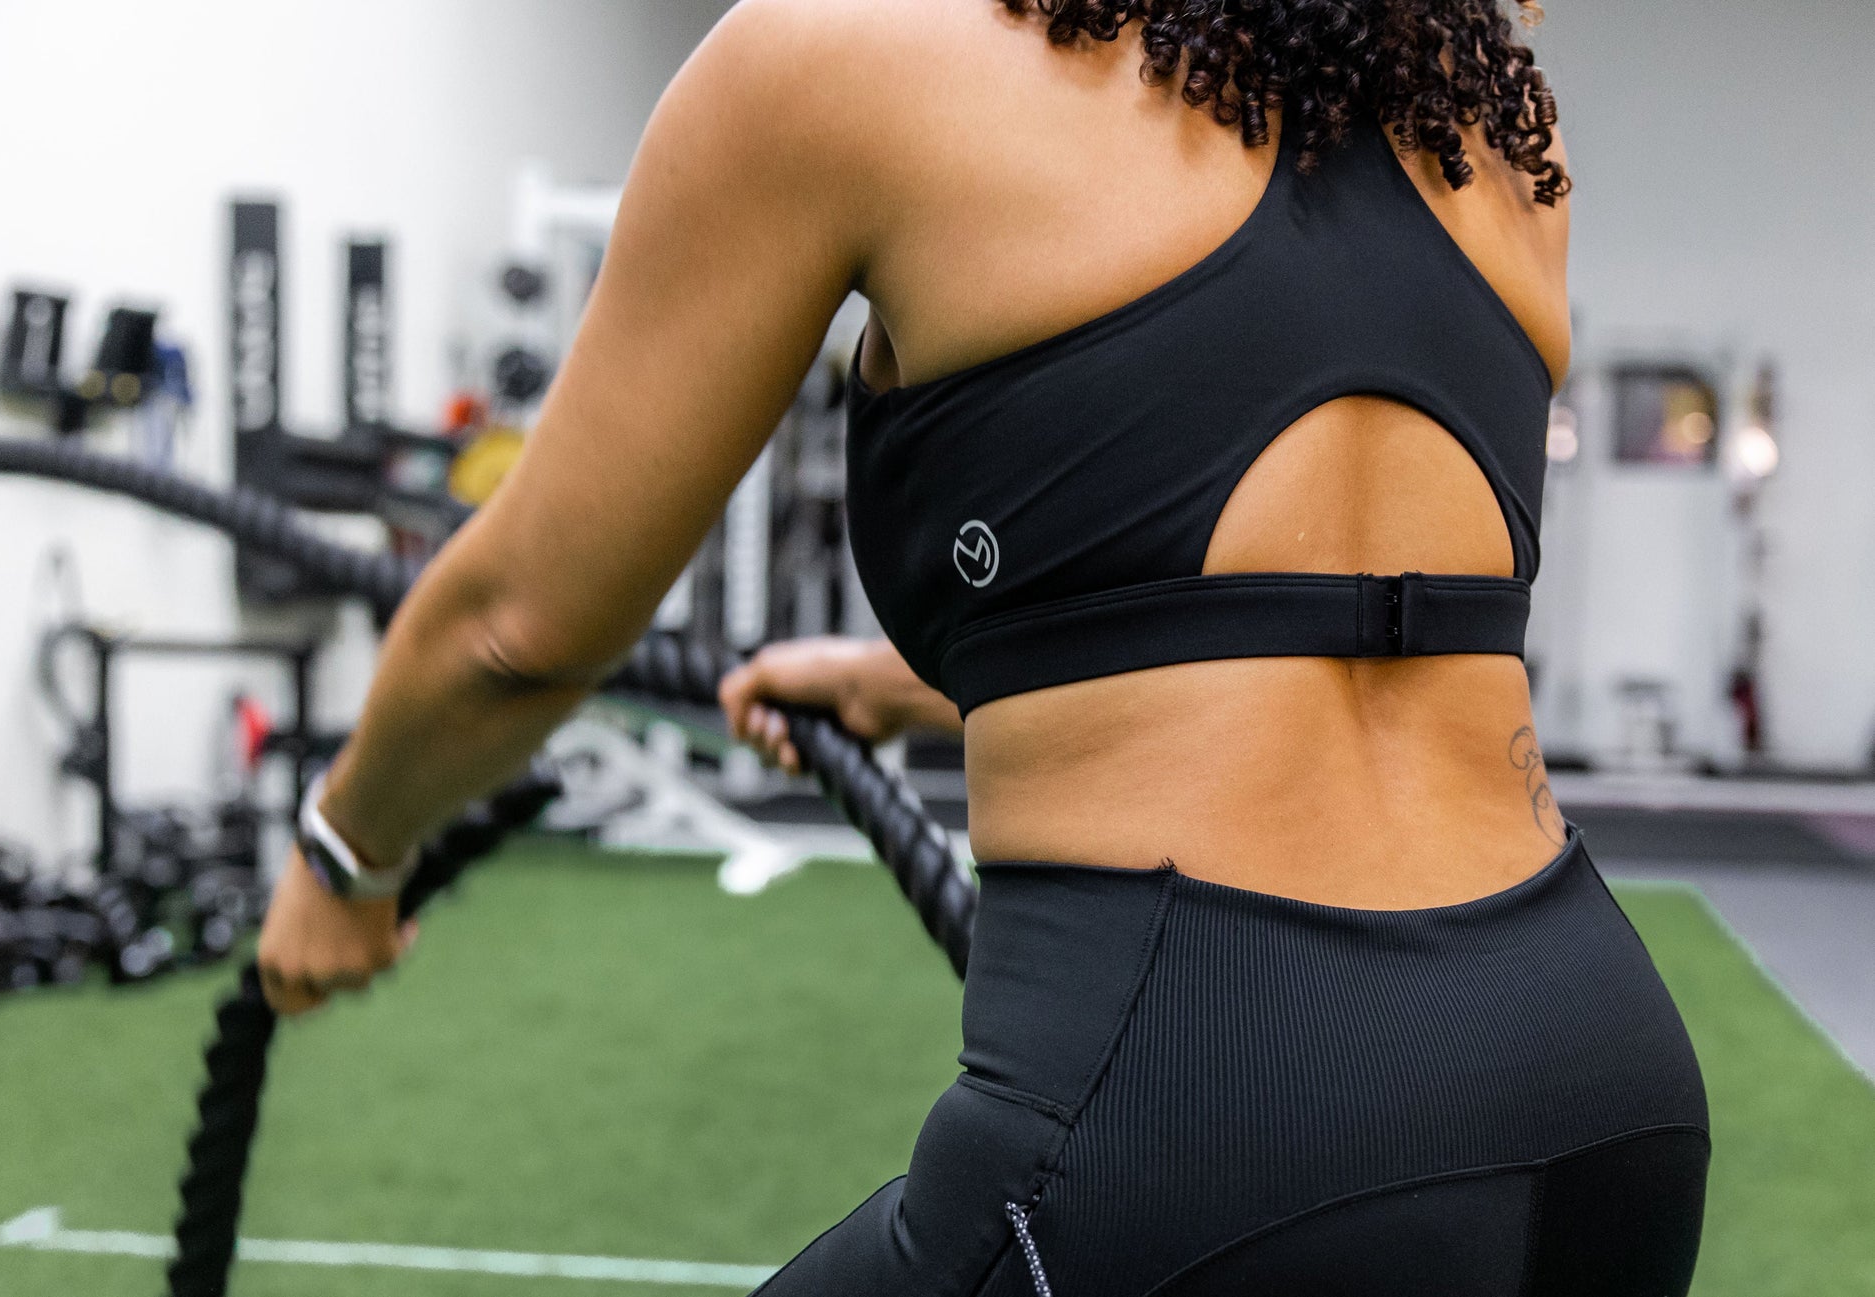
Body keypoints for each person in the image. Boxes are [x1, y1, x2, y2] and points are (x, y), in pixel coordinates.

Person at [258, 0, 1710, 1291]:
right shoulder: (1486, 132)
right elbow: (1320, 621)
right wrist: (916, 687)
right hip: (1599, 1085)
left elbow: (515, 627)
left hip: (1214, 1104)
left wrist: (346, 855)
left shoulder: (843, 53)